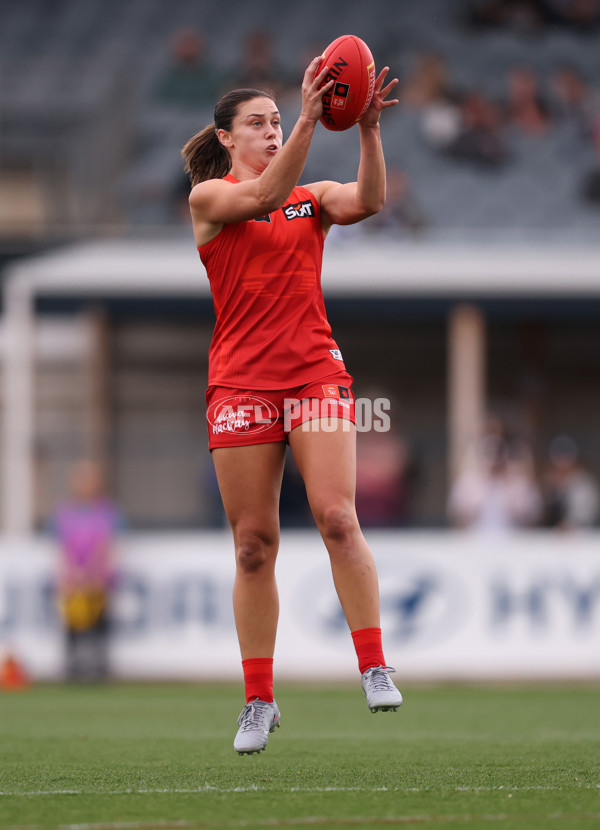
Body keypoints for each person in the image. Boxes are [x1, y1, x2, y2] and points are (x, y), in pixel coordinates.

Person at [181, 56, 402, 755]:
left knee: (338, 515)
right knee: (253, 546)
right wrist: (312, 115)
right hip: (241, 383)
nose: (274, 132)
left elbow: (368, 201)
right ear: (225, 138)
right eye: (260, 123)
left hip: (314, 375)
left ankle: (373, 662)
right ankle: (258, 700)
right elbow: (262, 199)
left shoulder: (312, 198)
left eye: (280, 121)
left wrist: (366, 130)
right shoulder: (210, 200)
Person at [52, 460, 123, 682]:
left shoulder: (107, 512)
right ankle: (72, 667)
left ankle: (99, 667)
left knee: (99, 624)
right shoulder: (65, 513)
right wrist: (71, 574)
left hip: (98, 579)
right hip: (73, 580)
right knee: (71, 624)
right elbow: (62, 548)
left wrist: (94, 573)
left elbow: (107, 546)